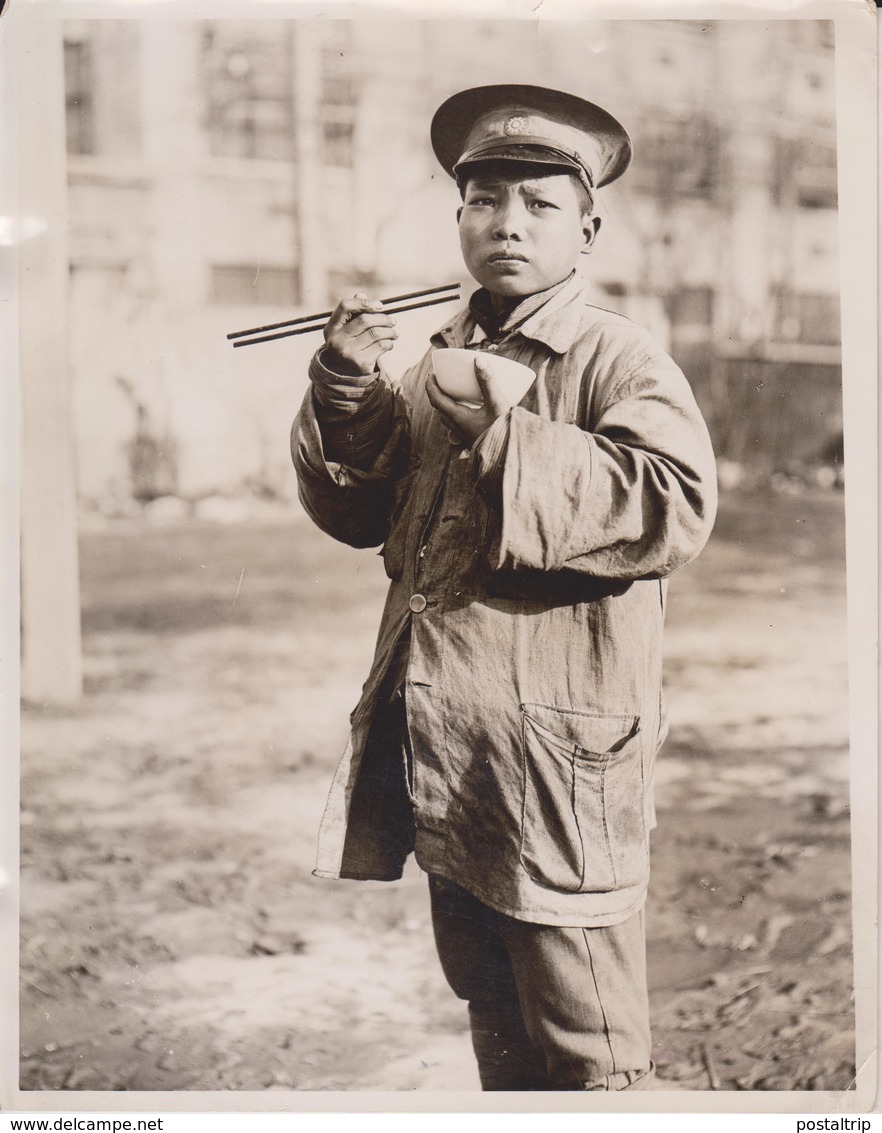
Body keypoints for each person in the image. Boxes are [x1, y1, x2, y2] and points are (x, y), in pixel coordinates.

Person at [291, 84, 717, 1091]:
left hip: (562, 770)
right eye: (485, 201)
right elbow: (360, 511)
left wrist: (509, 432)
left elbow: (676, 506)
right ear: (460, 219)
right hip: (458, 758)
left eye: (537, 203)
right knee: (496, 1020)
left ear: (588, 226)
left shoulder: (616, 356)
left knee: (594, 1056)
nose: (507, 223)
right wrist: (347, 389)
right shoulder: (442, 355)